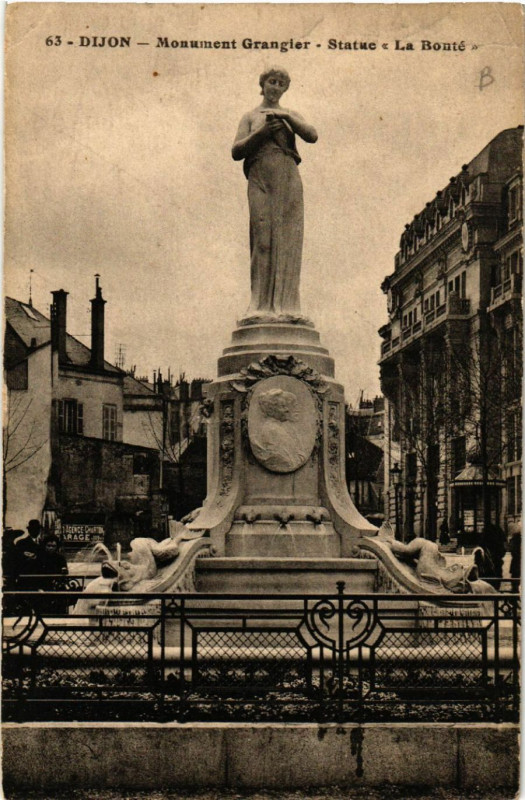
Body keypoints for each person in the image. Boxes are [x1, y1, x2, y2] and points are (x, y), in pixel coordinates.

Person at [232, 68, 317, 322]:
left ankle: (288, 306)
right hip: (260, 178)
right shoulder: (250, 116)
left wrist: (285, 116)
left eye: (281, 83)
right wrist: (263, 133)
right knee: (263, 239)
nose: (275, 86)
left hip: (288, 179)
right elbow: (236, 151)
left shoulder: (289, 114)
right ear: (262, 84)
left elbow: (312, 135)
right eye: (272, 81)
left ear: (285, 88)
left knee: (289, 240)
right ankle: (259, 305)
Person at [12, 519, 42, 590]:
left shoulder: (42, 543)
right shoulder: (21, 543)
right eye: (33, 529)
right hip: (26, 575)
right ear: (29, 530)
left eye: (37, 529)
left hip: (39, 576)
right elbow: (17, 559)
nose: (36, 531)